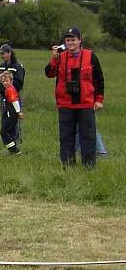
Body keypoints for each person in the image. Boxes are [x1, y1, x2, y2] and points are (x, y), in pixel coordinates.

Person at [44, 26, 105, 168]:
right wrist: (54, 58)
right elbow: (49, 73)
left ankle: (89, 166)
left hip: (85, 103)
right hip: (65, 104)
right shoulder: (60, 56)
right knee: (66, 137)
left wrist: (99, 100)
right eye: (68, 40)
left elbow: (99, 79)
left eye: (73, 40)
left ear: (79, 41)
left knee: (88, 136)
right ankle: (68, 165)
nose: (70, 43)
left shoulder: (90, 56)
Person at [0, 44, 26, 146]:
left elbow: (19, 83)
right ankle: (10, 145)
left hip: (13, 96)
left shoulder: (17, 66)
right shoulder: (1, 66)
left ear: (9, 53)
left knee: (14, 122)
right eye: (0, 54)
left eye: (3, 53)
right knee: (5, 121)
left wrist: (8, 80)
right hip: (3, 98)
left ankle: (17, 144)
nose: (2, 56)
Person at [0, 71, 23, 155]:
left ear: (11, 81)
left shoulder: (10, 90)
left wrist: (18, 112)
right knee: (11, 131)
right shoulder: (9, 89)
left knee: (4, 132)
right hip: (10, 113)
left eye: (6, 81)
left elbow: (14, 101)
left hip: (11, 113)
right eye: (3, 81)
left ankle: (13, 149)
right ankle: (13, 149)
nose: (5, 83)